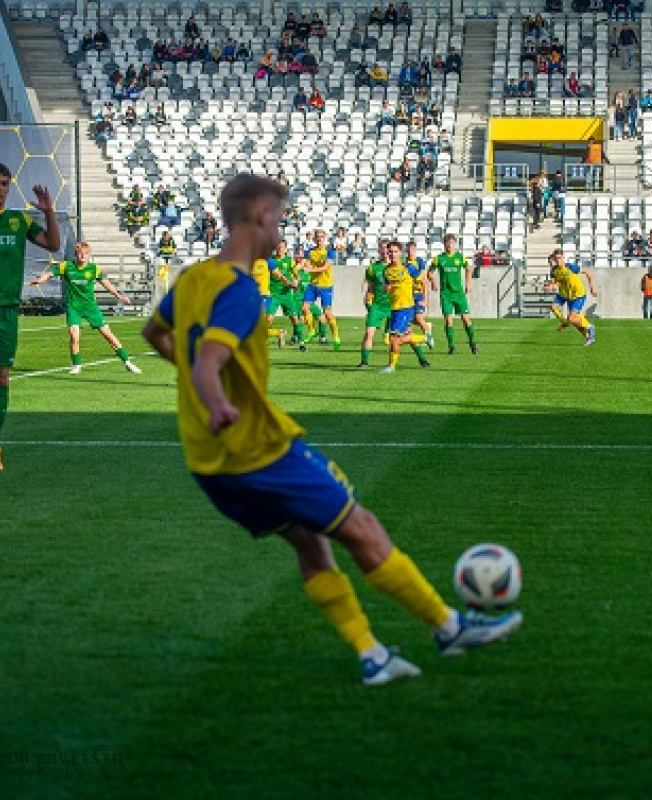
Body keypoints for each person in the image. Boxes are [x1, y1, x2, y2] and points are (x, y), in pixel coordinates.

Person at [141, 175, 523, 684]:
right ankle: (450, 626)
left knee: (309, 544)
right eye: (280, 216)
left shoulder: (192, 279)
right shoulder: (238, 288)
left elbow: (155, 331)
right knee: (360, 527)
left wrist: (198, 390)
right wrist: (215, 399)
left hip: (208, 462)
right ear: (258, 214)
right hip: (258, 450)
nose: (283, 226)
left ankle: (372, 654)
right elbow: (211, 360)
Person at [0, 166, 61, 469]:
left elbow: (53, 245)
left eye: (4, 184)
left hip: (6, 310)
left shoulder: (18, 221)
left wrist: (49, 211)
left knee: (1, 378)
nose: (0, 188)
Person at [30, 242, 142, 375]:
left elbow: (105, 282)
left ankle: (127, 362)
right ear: (76, 254)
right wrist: (40, 280)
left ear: (89, 255)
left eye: (85, 253)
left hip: (90, 307)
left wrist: (118, 295)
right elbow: (49, 273)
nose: (82, 256)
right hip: (74, 307)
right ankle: (76, 365)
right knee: (74, 335)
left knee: (108, 335)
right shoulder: (66, 266)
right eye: (80, 253)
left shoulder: (94, 268)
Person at [380, 240, 431, 373]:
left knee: (394, 340)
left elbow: (422, 280)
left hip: (406, 307)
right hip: (395, 308)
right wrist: (387, 289)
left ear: (400, 253)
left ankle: (392, 366)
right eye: (390, 251)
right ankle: (424, 339)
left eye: (395, 251)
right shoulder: (386, 270)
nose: (392, 254)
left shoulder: (408, 267)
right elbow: (386, 286)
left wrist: (423, 298)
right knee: (405, 336)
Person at [428, 234, 477, 355]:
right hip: (446, 295)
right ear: (444, 244)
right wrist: (433, 281)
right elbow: (429, 272)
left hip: (459, 294)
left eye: (452, 243)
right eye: (447, 243)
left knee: (466, 319)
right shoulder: (439, 259)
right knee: (449, 321)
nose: (450, 245)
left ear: (455, 244)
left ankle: (473, 343)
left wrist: (468, 283)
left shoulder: (460, 258)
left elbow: (469, 268)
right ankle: (452, 347)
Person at [545, 249, 597, 345]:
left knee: (573, 318)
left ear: (563, 257)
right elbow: (556, 282)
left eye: (559, 258)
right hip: (564, 294)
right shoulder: (554, 271)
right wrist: (550, 286)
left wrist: (592, 288)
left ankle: (589, 326)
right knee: (554, 307)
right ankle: (565, 323)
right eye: (556, 259)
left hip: (577, 295)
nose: (558, 261)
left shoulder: (571, 267)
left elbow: (588, 273)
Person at [302, 229, 341, 350]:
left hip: (326, 286)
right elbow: (306, 264)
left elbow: (325, 268)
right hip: (313, 285)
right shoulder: (309, 252)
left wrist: (309, 270)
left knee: (327, 314)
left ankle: (336, 335)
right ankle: (312, 330)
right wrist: (305, 266)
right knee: (304, 307)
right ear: (314, 239)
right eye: (317, 237)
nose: (319, 239)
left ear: (325, 238)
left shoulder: (330, 252)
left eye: (321, 237)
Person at [357, 240, 392, 369]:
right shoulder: (373, 268)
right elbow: (371, 287)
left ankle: (422, 358)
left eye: (386, 248)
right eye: (381, 248)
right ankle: (364, 361)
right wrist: (367, 298)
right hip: (377, 305)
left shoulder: (399, 266)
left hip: (394, 305)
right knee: (368, 332)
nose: (384, 251)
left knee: (404, 334)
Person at [267, 240, 306, 348]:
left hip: (286, 293)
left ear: (286, 249)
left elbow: (295, 273)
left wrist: (296, 280)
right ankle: (270, 336)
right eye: (278, 247)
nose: (280, 249)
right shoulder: (271, 261)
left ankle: (302, 343)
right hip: (273, 293)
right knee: (269, 319)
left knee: (294, 318)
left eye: (282, 247)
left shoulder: (289, 261)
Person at [407, 240, 434, 347]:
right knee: (411, 319)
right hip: (409, 295)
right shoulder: (405, 263)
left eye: (412, 249)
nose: (410, 252)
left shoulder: (419, 262)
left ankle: (428, 337)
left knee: (418, 318)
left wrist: (424, 299)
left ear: (415, 250)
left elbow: (423, 280)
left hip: (418, 294)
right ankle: (427, 327)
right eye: (408, 250)